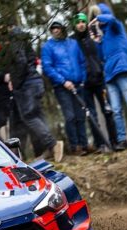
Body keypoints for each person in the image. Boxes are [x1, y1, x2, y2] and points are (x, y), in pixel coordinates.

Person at [0, 19, 64, 162]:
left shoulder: (15, 41)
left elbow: (21, 63)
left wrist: (15, 82)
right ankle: (48, 149)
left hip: (26, 85)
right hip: (32, 82)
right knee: (36, 115)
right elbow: (30, 61)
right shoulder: (21, 40)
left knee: (29, 117)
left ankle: (53, 144)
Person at [91, 3, 127, 148]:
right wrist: (98, 42)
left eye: (98, 17)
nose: (97, 21)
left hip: (122, 69)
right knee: (116, 110)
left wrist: (97, 16)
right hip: (110, 75)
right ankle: (122, 140)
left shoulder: (116, 27)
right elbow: (101, 57)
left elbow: (110, 19)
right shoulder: (103, 36)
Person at [42, 21, 88, 155]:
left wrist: (83, 79)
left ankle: (85, 145)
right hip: (62, 87)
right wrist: (63, 81)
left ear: (62, 29)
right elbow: (47, 67)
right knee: (70, 116)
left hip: (79, 84)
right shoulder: (48, 47)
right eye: (53, 29)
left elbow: (82, 62)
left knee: (80, 116)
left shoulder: (73, 43)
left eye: (58, 28)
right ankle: (75, 146)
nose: (55, 31)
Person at [71, 12, 116, 153]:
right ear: (75, 24)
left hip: (99, 81)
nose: (80, 24)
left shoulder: (94, 37)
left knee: (107, 111)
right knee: (91, 115)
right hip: (85, 84)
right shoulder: (72, 41)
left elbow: (103, 54)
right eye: (78, 22)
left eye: (83, 22)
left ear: (86, 23)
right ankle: (100, 144)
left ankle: (114, 142)